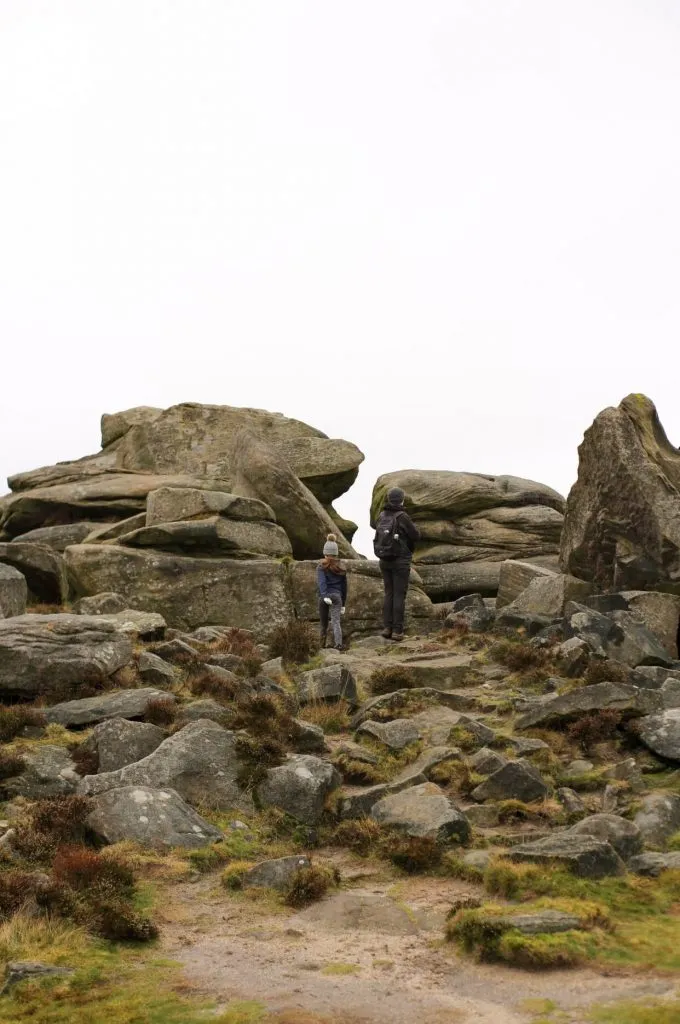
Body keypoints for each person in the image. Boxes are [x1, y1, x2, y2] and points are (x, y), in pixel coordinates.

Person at [373, 486, 420, 641]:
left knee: (389, 593)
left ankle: (387, 628)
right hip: (400, 560)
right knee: (399, 594)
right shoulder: (402, 516)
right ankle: (397, 631)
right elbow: (415, 535)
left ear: (388, 498)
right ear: (402, 499)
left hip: (384, 559)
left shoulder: (381, 516)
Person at [316, 533, 347, 650]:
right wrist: (343, 603)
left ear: (325, 553)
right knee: (336, 621)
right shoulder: (342, 567)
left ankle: (321, 646)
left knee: (323, 623)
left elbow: (321, 582)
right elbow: (345, 587)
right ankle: (338, 644)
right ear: (336, 553)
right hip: (337, 596)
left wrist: (324, 595)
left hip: (324, 597)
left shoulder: (321, 567)